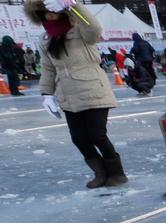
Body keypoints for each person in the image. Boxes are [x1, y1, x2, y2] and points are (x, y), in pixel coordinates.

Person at [25, 0, 128, 188]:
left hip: (93, 90)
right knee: (78, 138)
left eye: (52, 10)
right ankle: (100, 172)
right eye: (44, 12)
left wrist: (74, 5)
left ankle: (117, 173)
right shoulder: (45, 39)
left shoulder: (81, 30)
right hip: (68, 96)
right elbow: (48, 68)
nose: (49, 14)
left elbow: (95, 27)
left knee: (97, 135)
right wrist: (46, 93)